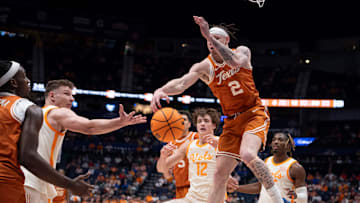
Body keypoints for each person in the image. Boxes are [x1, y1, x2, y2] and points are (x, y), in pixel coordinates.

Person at [150, 16, 283, 203]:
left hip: (253, 112)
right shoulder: (205, 66)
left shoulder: (242, 51)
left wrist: (209, 36)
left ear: (226, 40)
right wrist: (161, 90)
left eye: (216, 39)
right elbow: (182, 83)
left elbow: (235, 62)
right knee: (219, 174)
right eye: (207, 40)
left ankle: (278, 199)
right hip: (231, 120)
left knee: (247, 154)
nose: (210, 43)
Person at [20, 79, 147, 202]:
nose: (72, 98)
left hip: (24, 177)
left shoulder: (33, 115)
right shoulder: (58, 113)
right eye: (66, 94)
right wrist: (120, 122)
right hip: (33, 181)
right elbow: (89, 127)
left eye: (72, 95)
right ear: (52, 96)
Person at [0, 60, 93, 203]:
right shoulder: (26, 108)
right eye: (24, 77)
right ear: (13, 83)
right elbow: (28, 157)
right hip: (7, 182)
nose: (28, 81)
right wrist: (70, 184)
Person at [157, 108, 235, 202]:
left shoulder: (221, 142)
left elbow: (237, 158)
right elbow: (161, 168)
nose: (202, 124)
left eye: (206, 121)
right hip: (192, 199)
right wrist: (163, 156)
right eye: (199, 121)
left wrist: (220, 149)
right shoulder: (189, 145)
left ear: (214, 125)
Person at [235, 132, 308, 203]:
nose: (276, 142)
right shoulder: (266, 162)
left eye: (280, 140)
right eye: (274, 140)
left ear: (288, 146)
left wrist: (296, 196)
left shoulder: (295, 168)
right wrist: (236, 188)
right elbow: (260, 187)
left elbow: (304, 198)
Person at [156, 110, 199, 199]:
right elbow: (164, 172)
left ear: (189, 124)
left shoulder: (195, 137)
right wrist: (163, 157)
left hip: (197, 185)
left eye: (184, 119)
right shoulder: (170, 143)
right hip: (180, 187)